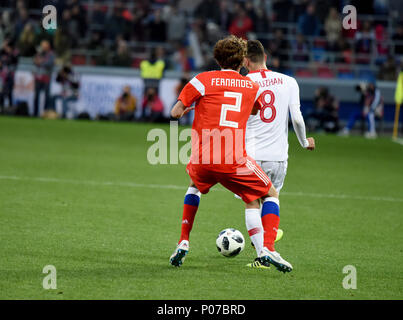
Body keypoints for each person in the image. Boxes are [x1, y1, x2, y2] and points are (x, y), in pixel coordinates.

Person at [169, 35, 293, 273]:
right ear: (241, 61)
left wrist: (187, 109)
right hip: (234, 160)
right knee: (270, 193)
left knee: (194, 186)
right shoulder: (251, 86)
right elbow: (255, 110)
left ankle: (183, 240)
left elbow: (175, 112)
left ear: (217, 58)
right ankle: (268, 248)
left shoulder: (201, 80)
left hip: (203, 158)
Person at [241, 40, 315, 266]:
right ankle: (269, 245)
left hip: (251, 155)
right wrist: (304, 142)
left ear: (245, 61)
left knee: (252, 201)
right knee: (271, 197)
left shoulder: (243, 82)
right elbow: (297, 118)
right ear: (266, 57)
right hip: (278, 157)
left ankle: (263, 253)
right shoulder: (289, 82)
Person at [32, 40, 54, 117]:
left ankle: (45, 113)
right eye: (42, 46)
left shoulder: (51, 54)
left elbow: (49, 63)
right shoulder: (39, 53)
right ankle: (35, 113)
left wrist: (40, 62)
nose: (43, 47)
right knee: (36, 96)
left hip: (46, 78)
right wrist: (38, 60)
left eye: (44, 46)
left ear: (48, 47)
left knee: (46, 96)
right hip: (38, 78)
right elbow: (34, 61)